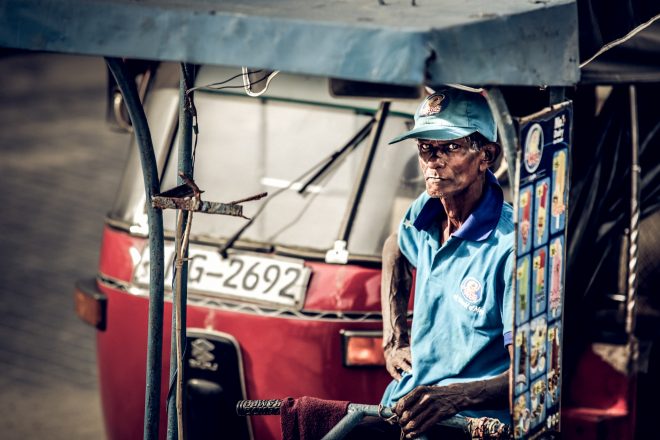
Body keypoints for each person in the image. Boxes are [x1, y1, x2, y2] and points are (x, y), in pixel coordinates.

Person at [377, 88, 514, 439]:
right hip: (405, 412)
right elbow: (395, 247)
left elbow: (529, 374)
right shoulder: (424, 210)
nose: (432, 161)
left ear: (486, 155)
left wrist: (454, 398)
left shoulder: (511, 245)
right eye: (426, 148)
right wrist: (394, 341)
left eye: (450, 147)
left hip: (469, 427)